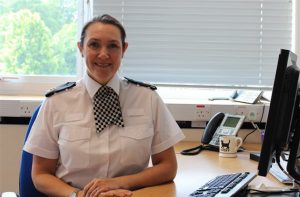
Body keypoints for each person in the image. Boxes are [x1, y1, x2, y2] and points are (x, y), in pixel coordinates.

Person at [24, 14, 185, 197]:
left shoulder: (147, 98)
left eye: (113, 46)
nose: (103, 54)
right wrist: (79, 195)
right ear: (81, 48)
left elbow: (168, 167)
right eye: (94, 45)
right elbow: (40, 174)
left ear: (124, 49)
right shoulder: (56, 103)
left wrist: (117, 183)